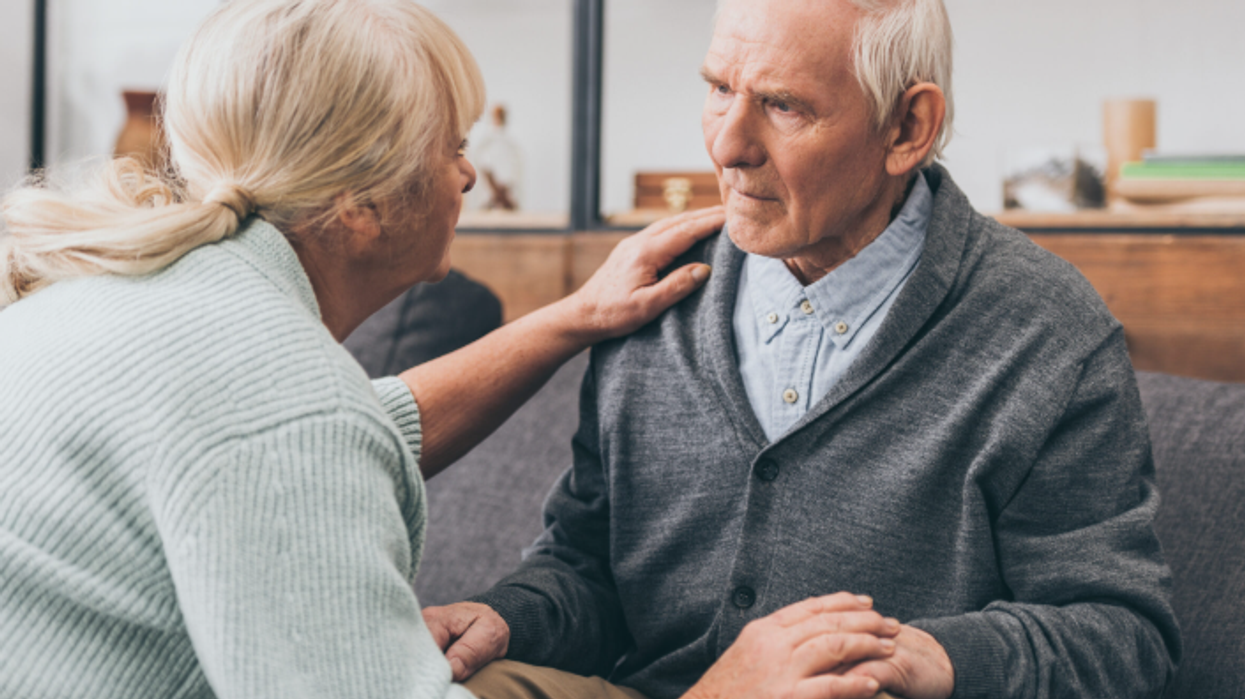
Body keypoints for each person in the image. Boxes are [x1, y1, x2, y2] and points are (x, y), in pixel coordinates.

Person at [422, 1, 1182, 698]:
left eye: (783, 106)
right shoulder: (653, 292)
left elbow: (1122, 638)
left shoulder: (1045, 330)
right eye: (719, 88)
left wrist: (924, 655)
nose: (726, 145)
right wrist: (507, 615)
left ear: (906, 129)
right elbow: (588, 566)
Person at [0, 2, 729, 698]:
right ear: (362, 202)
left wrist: (570, 318)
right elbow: (296, 435)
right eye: (453, 147)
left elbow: (344, 427)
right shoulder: (284, 411)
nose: (469, 176)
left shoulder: (122, 298)